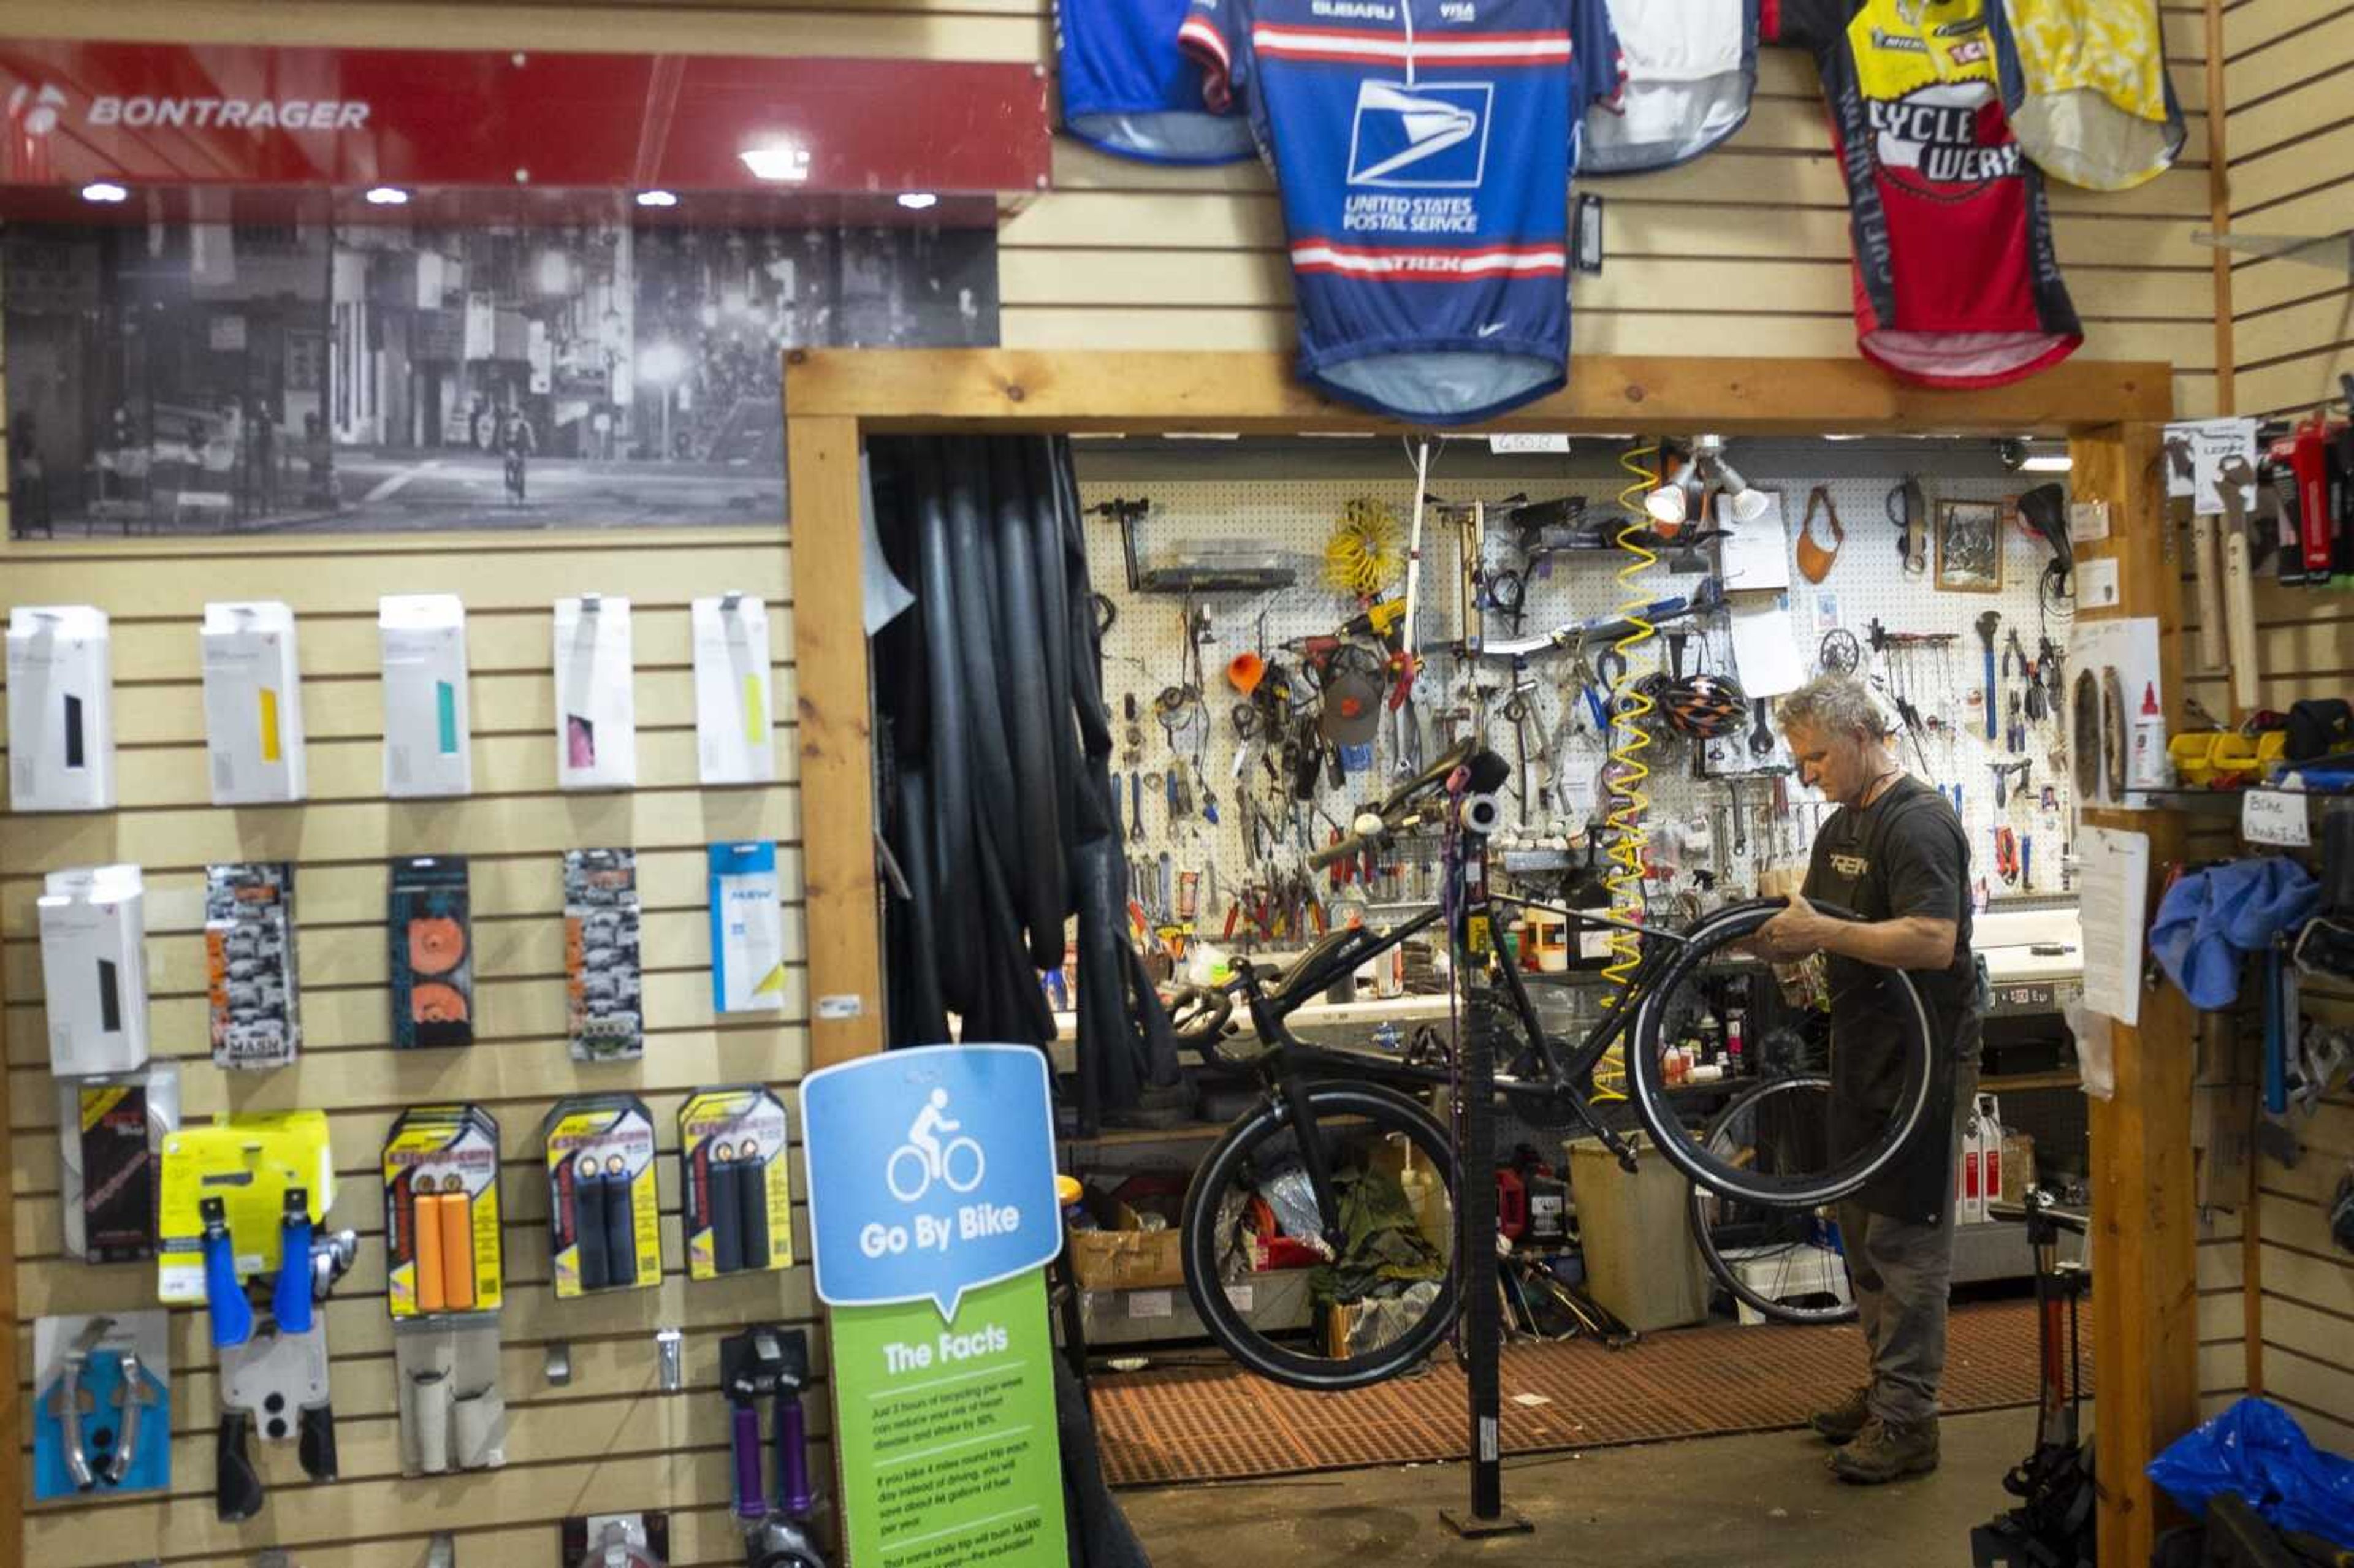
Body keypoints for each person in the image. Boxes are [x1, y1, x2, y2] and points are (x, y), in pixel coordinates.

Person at [1751, 672, 1982, 1485]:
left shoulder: (1918, 823)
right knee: (1862, 1236)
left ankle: (1911, 1422)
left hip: (1924, 1062)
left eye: (1815, 756)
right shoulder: (1843, 822)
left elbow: (1933, 939)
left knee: (1907, 1243)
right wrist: (1771, 937)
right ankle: (1889, 1389)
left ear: (1857, 736)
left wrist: (1826, 932)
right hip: (1861, 1051)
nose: (1807, 772)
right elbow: (1818, 923)